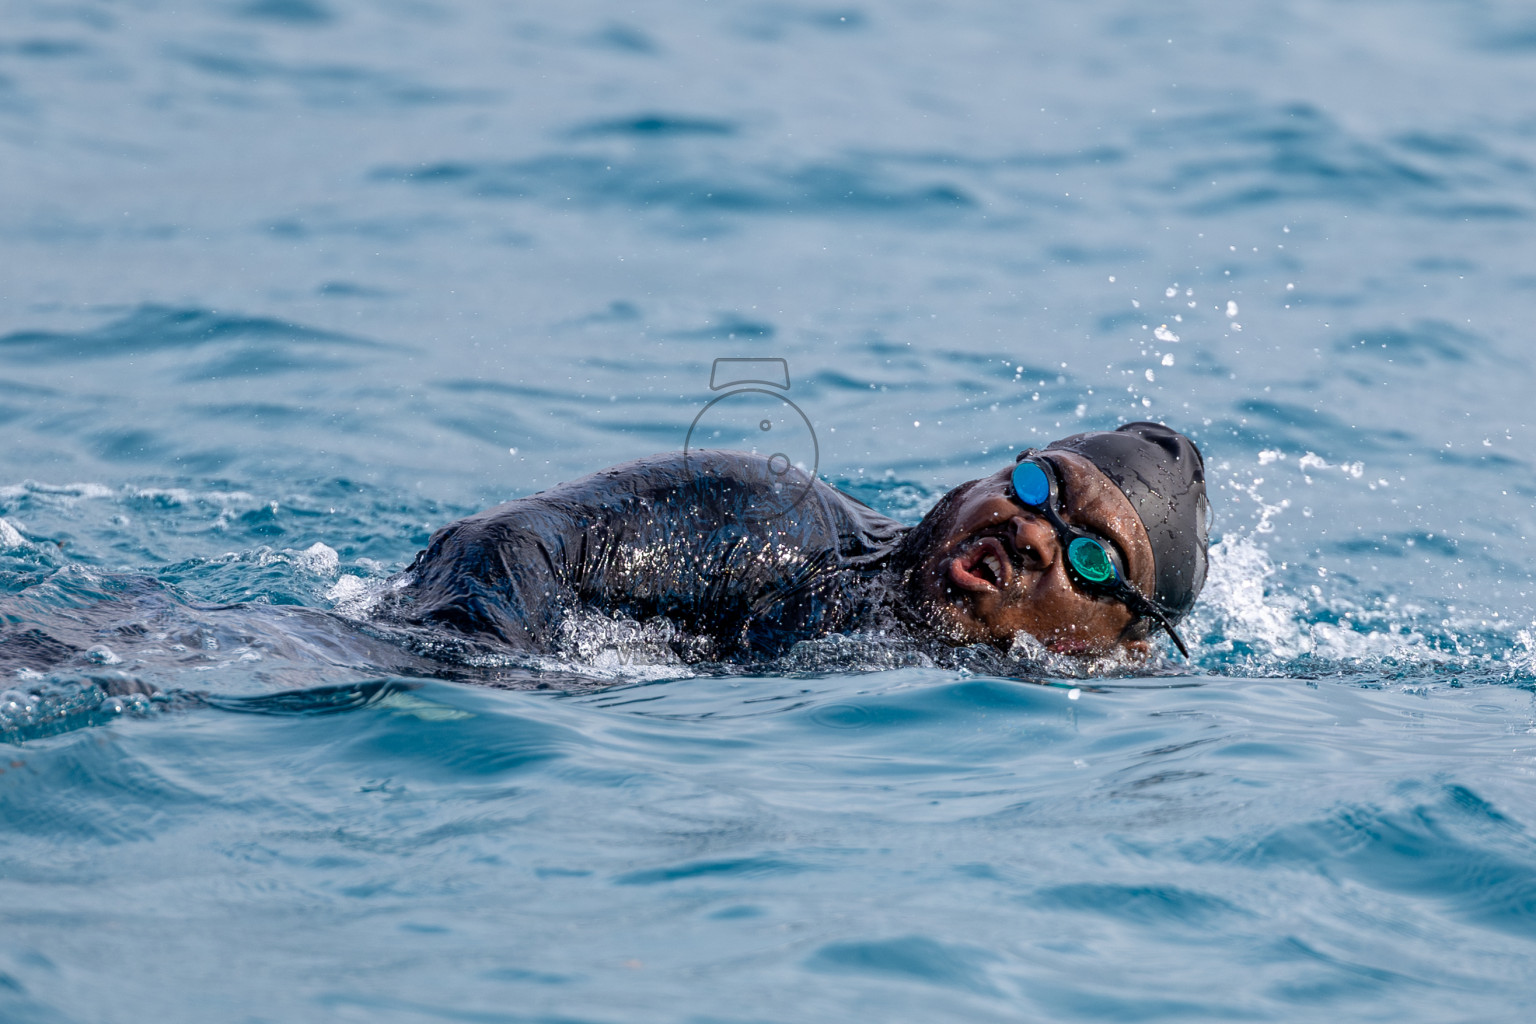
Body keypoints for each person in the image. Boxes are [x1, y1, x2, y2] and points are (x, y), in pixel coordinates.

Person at [374, 422, 1209, 663]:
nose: (1032, 532)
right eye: (1035, 486)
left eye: (1091, 557)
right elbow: (512, 544)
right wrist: (479, 679)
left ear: (1115, 647)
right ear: (972, 486)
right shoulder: (778, 526)